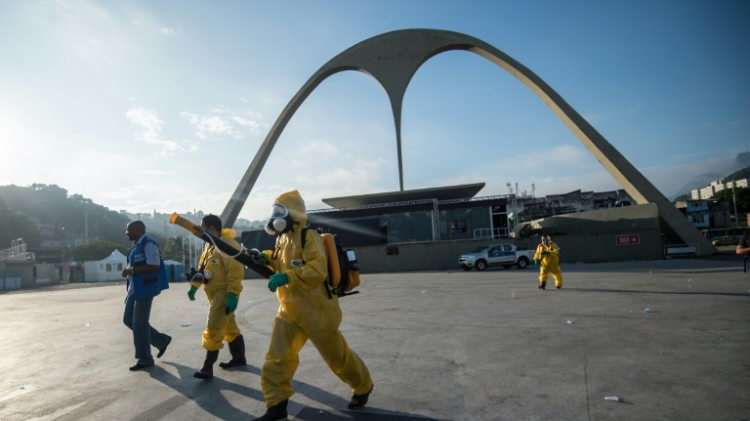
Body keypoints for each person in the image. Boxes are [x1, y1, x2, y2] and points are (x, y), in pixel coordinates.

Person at [250, 190, 373, 421]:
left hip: (317, 312)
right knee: (277, 358)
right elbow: (280, 260)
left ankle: (363, 385)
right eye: (275, 212)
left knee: (337, 357)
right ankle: (276, 406)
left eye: (280, 211)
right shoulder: (282, 239)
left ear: (293, 213)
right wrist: (265, 258)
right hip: (288, 310)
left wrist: (288, 277)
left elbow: (317, 270)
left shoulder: (309, 237)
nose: (276, 217)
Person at [187, 214, 247, 380]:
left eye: (202, 228)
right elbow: (202, 270)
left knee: (214, 326)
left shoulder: (227, 245)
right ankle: (239, 358)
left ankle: (208, 367)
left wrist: (233, 294)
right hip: (212, 293)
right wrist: (194, 286)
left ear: (211, 229)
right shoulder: (209, 247)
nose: (200, 232)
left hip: (224, 293)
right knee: (229, 327)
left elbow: (236, 272)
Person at [121, 220, 171, 370]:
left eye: (129, 230)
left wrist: (132, 271)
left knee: (139, 324)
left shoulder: (149, 244)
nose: (126, 233)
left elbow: (154, 265)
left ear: (138, 230)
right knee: (128, 319)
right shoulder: (136, 245)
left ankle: (145, 358)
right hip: (135, 289)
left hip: (145, 289)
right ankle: (161, 340)